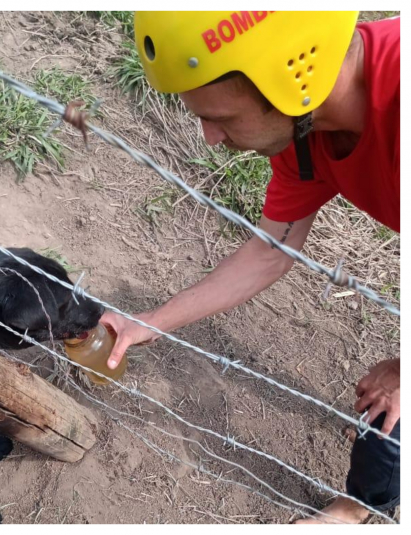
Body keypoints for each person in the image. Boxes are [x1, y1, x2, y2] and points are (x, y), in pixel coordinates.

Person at [103, 12, 399, 523]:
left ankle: (358, 510)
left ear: (295, 78)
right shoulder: (306, 132)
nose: (209, 138)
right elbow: (269, 252)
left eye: (221, 116)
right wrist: (147, 322)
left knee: (396, 410)